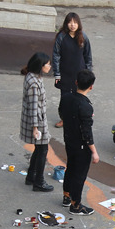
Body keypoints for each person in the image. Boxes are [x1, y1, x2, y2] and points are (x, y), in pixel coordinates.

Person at [59, 69, 99, 215]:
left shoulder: (66, 98)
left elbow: (61, 113)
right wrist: (94, 151)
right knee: (79, 174)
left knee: (71, 167)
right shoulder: (85, 106)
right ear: (91, 86)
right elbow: (87, 132)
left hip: (69, 139)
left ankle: (66, 196)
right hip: (81, 145)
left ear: (76, 82)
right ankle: (76, 205)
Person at [20, 52, 54, 192]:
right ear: (41, 66)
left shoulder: (33, 77)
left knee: (39, 149)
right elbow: (34, 106)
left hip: (37, 118)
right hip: (37, 121)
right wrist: (35, 128)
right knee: (43, 149)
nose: (50, 66)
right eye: (48, 64)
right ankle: (39, 181)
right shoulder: (34, 83)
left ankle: (31, 176)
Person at [52, 12, 92, 128]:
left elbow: (88, 57)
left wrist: (89, 75)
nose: (72, 25)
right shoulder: (61, 37)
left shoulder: (83, 37)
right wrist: (57, 74)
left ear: (78, 24)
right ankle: (64, 119)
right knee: (64, 99)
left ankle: (76, 119)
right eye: (70, 22)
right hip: (65, 73)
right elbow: (56, 56)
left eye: (75, 22)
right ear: (66, 24)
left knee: (78, 98)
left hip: (80, 74)